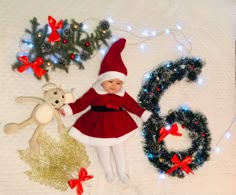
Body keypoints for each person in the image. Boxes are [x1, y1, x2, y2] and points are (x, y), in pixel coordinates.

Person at [60, 38, 151, 183]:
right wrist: (69, 109)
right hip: (98, 124)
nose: (114, 86)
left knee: (119, 149)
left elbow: (132, 105)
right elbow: (82, 103)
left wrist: (143, 114)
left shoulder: (122, 94)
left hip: (118, 124)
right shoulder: (94, 91)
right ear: (102, 79)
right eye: (110, 81)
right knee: (103, 149)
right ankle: (108, 171)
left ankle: (122, 173)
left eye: (118, 83)